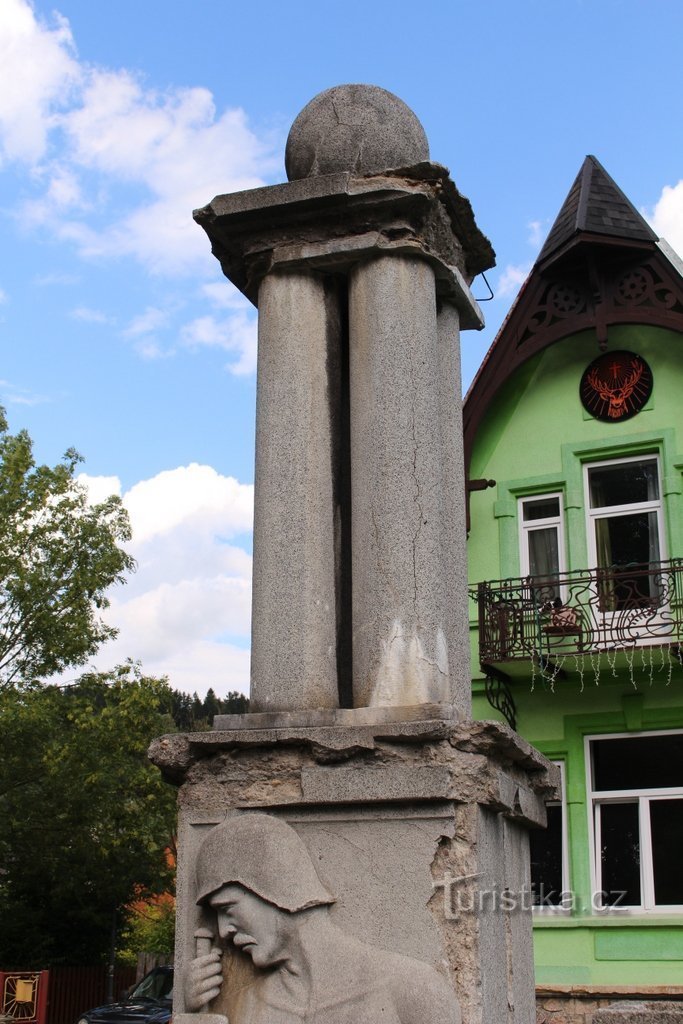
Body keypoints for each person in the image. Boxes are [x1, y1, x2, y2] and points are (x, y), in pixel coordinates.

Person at [185, 813, 461, 1024]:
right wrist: (197, 1015)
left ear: (273, 887)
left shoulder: (412, 989)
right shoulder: (246, 1006)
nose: (223, 931)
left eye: (228, 908)